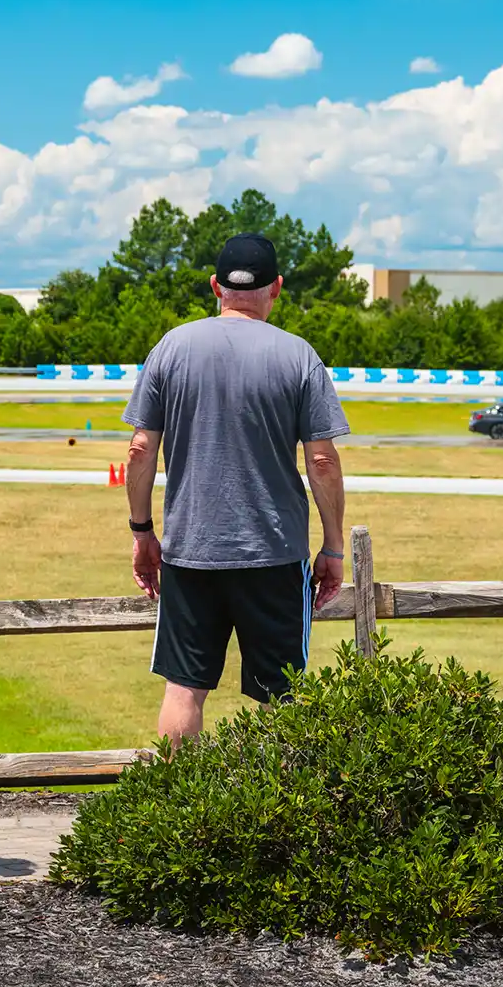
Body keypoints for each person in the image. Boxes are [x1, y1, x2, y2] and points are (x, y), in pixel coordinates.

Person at [123, 233, 350, 744]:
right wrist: (333, 547)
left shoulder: (171, 347)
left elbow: (139, 450)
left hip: (190, 551)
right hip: (274, 553)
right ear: (277, 288)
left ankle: (173, 791)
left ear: (215, 287)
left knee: (183, 690)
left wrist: (142, 531)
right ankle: (280, 796)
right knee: (282, 696)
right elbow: (322, 461)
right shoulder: (299, 356)